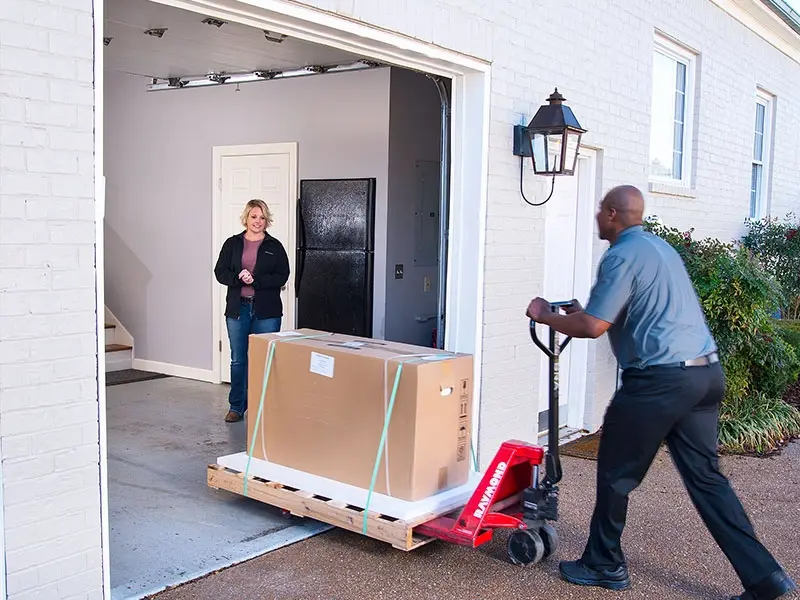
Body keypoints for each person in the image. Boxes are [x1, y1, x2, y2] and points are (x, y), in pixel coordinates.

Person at [525, 185, 796, 600]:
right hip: (704, 376)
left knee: (616, 473)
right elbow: (631, 314)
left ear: (614, 214)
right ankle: (765, 578)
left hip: (660, 381)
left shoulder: (620, 255)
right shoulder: (660, 250)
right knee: (708, 480)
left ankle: (604, 564)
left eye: (601, 210)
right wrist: (582, 315)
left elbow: (594, 326)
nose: (597, 216)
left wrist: (546, 315)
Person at [215, 199, 290, 423]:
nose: (258, 221)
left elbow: (282, 276)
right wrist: (238, 278)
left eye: (262, 217)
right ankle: (237, 406)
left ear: (267, 220)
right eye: (254, 216)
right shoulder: (232, 244)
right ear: (246, 218)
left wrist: (255, 280)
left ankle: (262, 407)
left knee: (264, 360)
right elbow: (220, 272)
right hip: (238, 310)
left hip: (267, 311)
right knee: (239, 360)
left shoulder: (274, 246)